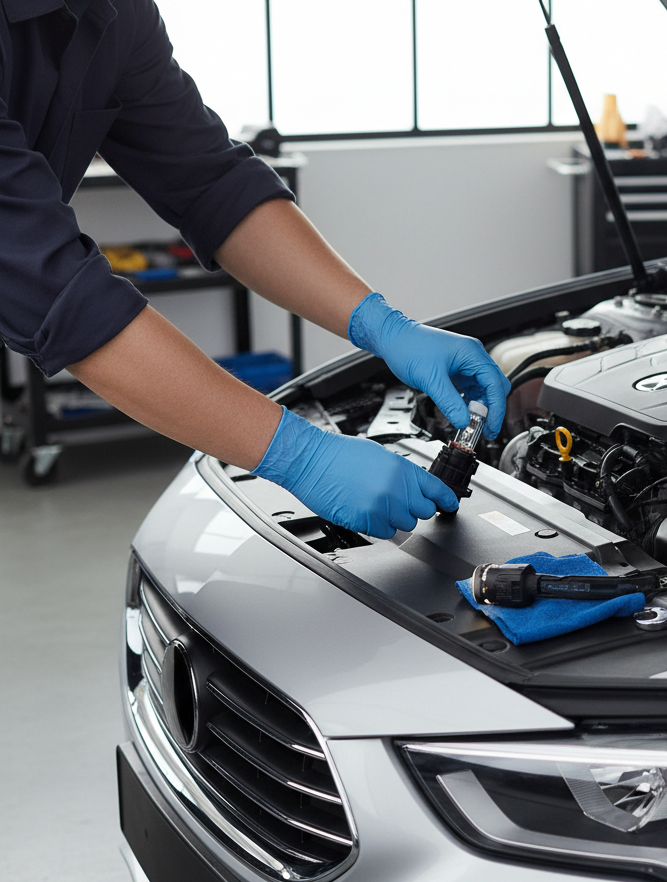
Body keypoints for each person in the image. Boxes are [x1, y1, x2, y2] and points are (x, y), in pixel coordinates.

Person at [0, 0, 510, 538]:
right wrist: (301, 455)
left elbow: (211, 184)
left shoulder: (116, 12)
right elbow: (57, 292)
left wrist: (384, 325)